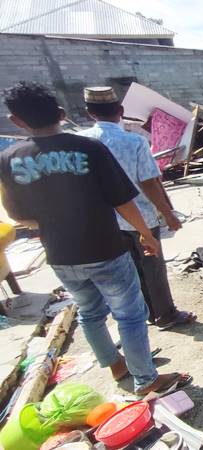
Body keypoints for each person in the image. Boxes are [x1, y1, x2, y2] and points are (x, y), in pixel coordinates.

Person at [0, 81, 187, 395]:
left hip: (59, 255)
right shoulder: (88, 149)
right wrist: (147, 234)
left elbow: (19, 217)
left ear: (16, 121)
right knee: (130, 313)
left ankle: (116, 365)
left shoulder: (9, 159)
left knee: (90, 312)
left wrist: (51, 218)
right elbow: (122, 200)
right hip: (105, 249)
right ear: (61, 113)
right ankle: (146, 379)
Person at [78, 86, 195, 329]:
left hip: (105, 222)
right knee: (152, 268)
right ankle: (165, 314)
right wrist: (168, 214)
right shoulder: (134, 141)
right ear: (120, 111)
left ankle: (143, 314)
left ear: (90, 113)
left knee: (126, 271)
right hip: (141, 218)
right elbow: (149, 183)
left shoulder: (82, 142)